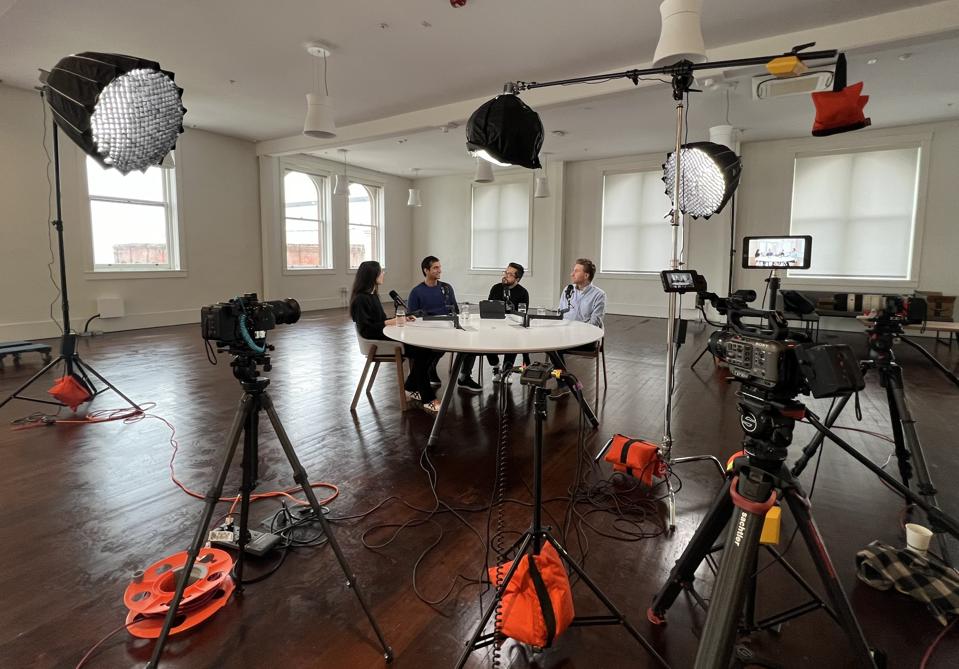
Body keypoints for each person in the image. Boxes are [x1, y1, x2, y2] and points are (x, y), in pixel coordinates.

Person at [350, 260, 441, 414]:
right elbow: (367, 329)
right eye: (381, 272)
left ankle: (411, 387)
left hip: (383, 335)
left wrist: (402, 318)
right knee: (422, 352)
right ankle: (427, 399)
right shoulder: (360, 299)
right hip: (375, 342)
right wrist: (391, 321)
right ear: (373, 275)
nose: (383, 274)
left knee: (430, 349)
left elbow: (381, 321)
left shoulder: (373, 296)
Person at [407, 256, 482, 393]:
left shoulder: (447, 288)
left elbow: (456, 310)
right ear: (426, 270)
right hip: (430, 331)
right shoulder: (416, 292)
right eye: (435, 268)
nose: (439, 270)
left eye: (439, 267)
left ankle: (464, 376)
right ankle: (429, 369)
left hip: (449, 327)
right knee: (436, 346)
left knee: (472, 343)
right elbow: (411, 317)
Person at [552, 258, 606, 399]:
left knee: (556, 348)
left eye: (576, 271)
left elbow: (595, 322)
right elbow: (560, 313)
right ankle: (564, 384)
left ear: (586, 275)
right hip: (566, 334)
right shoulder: (568, 290)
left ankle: (566, 384)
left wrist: (576, 332)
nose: (572, 274)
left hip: (586, 338)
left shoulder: (599, 295)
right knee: (551, 347)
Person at [485, 262, 531, 383]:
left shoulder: (523, 293)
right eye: (506, 272)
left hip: (512, 326)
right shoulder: (496, 288)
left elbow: (523, 314)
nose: (505, 275)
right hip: (494, 325)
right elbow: (489, 308)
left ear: (517, 279)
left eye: (510, 274)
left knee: (514, 336)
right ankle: (495, 365)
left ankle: (507, 369)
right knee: (483, 337)